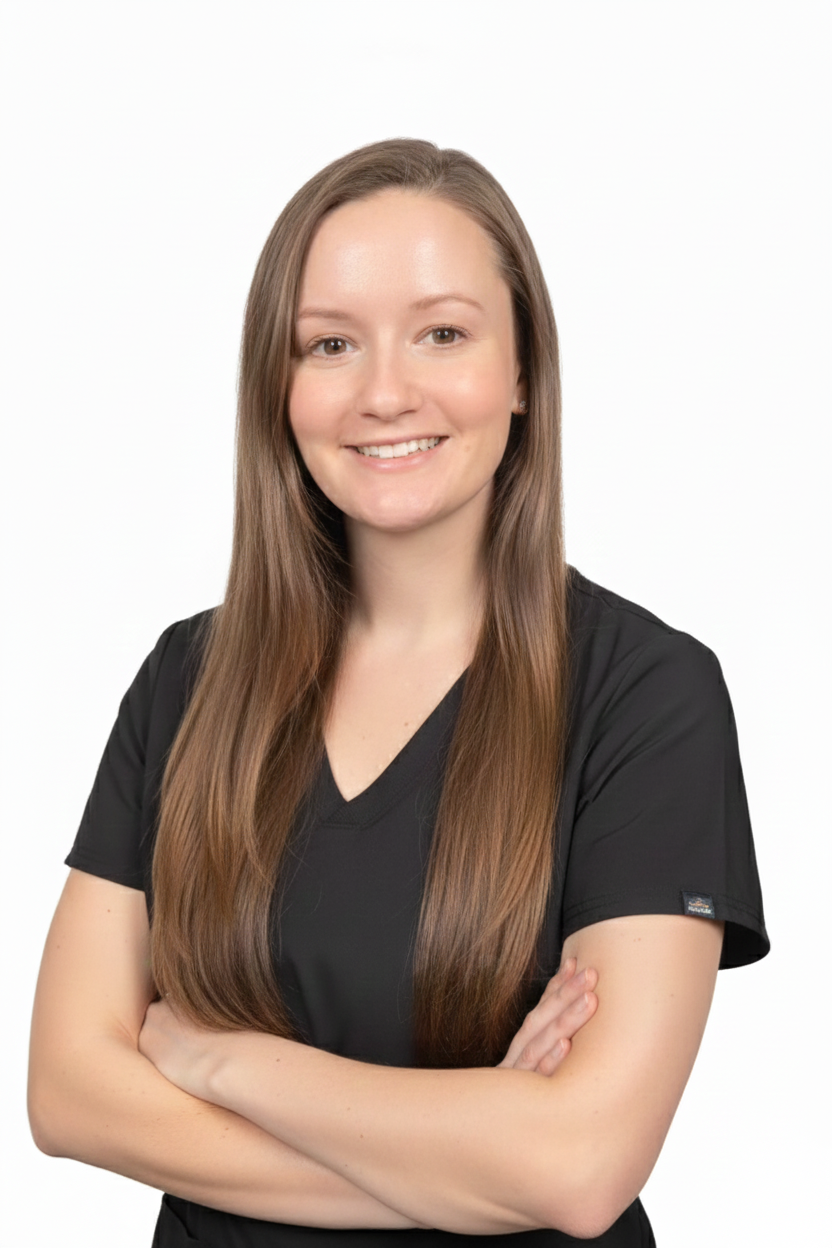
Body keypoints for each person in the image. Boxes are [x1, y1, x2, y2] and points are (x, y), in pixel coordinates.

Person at [28, 138, 769, 1247]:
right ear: (277, 390)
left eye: (442, 333)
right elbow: (67, 1094)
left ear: (521, 374)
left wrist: (222, 1060)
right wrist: (479, 1155)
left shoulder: (647, 695)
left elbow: (577, 1169)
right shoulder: (187, 680)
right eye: (329, 344)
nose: (384, 393)